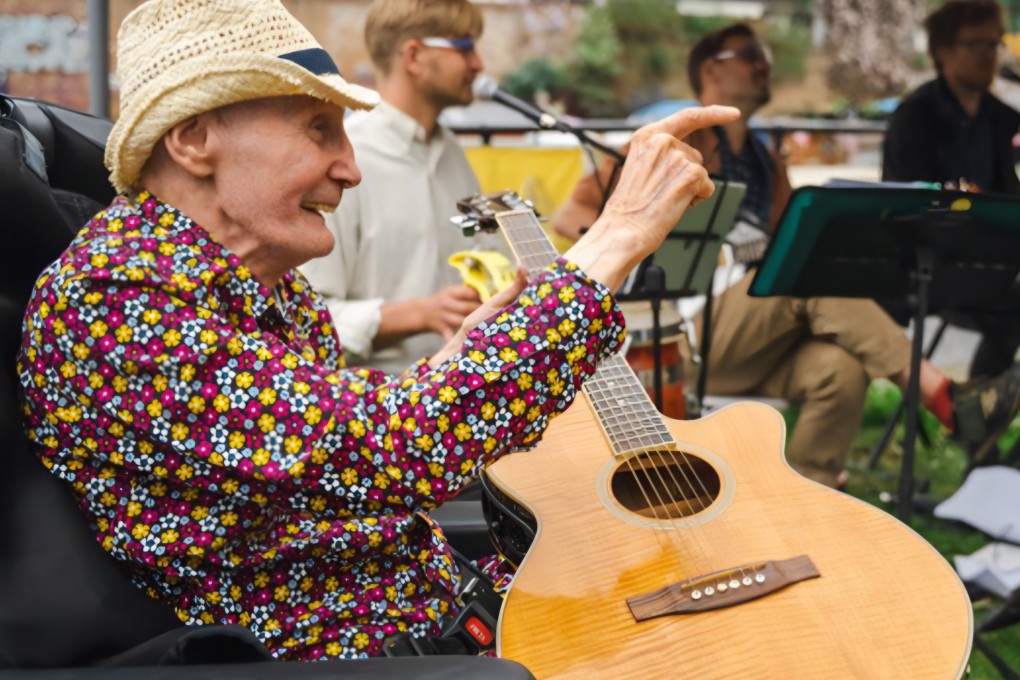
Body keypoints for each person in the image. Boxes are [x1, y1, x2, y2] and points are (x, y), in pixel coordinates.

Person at [16, 0, 737, 662]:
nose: (350, 168)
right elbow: (396, 450)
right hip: (361, 657)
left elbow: (343, 438)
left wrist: (464, 350)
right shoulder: (115, 299)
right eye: (318, 129)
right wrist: (617, 237)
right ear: (194, 138)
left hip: (441, 614)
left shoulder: (261, 286)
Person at [554, 22, 1020, 488]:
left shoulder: (764, 159)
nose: (765, 66)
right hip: (687, 335)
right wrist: (629, 252)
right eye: (749, 56)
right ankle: (945, 400)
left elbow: (790, 244)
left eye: (767, 57)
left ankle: (803, 496)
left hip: (756, 334)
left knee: (840, 369)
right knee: (807, 281)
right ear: (710, 72)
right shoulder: (677, 143)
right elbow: (571, 212)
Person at [301, 0, 506, 376]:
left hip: (464, 394)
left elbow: (488, 260)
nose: (478, 64)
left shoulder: (452, 154)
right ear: (413, 56)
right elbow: (305, 322)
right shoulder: (347, 159)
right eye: (465, 46)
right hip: (373, 407)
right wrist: (417, 314)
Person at [884, 0, 1020, 380]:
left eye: (994, 44)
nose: (989, 55)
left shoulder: (1003, 120)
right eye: (976, 44)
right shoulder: (914, 119)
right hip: (925, 266)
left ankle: (979, 417)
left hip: (993, 262)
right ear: (943, 51)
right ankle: (976, 417)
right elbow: (906, 209)